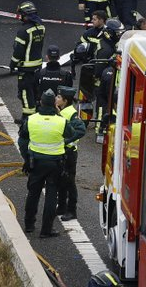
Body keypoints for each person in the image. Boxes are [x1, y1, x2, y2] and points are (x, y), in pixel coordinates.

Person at [19, 89, 74, 238]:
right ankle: (46, 230)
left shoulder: (31, 120)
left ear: (41, 103)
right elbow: (70, 133)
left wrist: (26, 158)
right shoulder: (61, 121)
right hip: (55, 164)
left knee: (33, 193)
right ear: (54, 104)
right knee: (51, 196)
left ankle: (29, 225)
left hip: (36, 163)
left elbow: (22, 140)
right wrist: (59, 115)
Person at [10, 1, 46, 122]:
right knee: (35, 92)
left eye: (21, 14)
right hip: (37, 67)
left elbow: (18, 51)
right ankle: (35, 115)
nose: (20, 17)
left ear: (25, 15)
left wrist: (12, 64)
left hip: (25, 69)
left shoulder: (23, 31)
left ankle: (27, 118)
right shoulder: (41, 27)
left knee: (25, 93)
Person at [55, 85, 86, 221]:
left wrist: (66, 141)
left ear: (65, 100)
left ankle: (72, 210)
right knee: (61, 181)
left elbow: (81, 130)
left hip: (69, 153)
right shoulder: (62, 111)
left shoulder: (71, 114)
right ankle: (61, 206)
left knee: (69, 182)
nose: (56, 99)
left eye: (58, 97)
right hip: (62, 152)